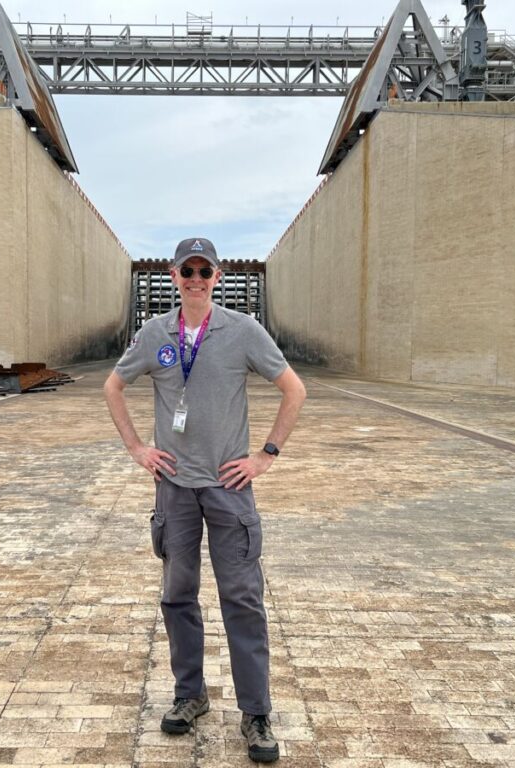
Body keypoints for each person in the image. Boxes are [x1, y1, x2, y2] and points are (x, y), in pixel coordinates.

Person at [104, 237, 306, 763]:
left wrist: (265, 455)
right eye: (187, 270)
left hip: (228, 489)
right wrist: (136, 448)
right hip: (174, 490)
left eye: (204, 270)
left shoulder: (242, 332)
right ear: (173, 275)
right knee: (177, 594)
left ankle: (256, 714)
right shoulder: (155, 333)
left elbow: (294, 390)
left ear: (217, 276)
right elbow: (112, 387)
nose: (195, 278)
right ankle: (190, 695)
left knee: (242, 598)